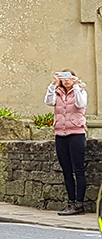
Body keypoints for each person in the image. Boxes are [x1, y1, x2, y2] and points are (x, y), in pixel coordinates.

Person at [45, 69, 88, 215]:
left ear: (74, 78)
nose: (66, 80)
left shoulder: (81, 91)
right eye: (63, 78)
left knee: (79, 170)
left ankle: (79, 204)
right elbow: (48, 102)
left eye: (69, 77)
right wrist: (53, 84)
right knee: (67, 171)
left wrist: (75, 86)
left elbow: (81, 104)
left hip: (76, 134)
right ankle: (70, 202)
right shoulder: (57, 93)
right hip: (60, 135)